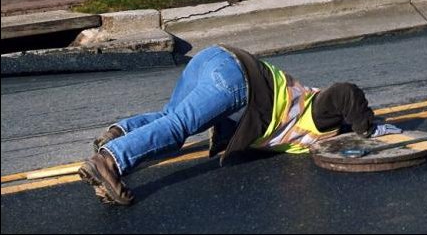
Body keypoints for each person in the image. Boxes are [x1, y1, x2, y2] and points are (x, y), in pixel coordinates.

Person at [79, 44, 401, 206]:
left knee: (171, 117)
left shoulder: (300, 112)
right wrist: (368, 128)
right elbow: (346, 92)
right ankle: (109, 160)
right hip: (237, 81)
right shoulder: (319, 116)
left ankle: (120, 132)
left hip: (215, 57)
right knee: (178, 126)